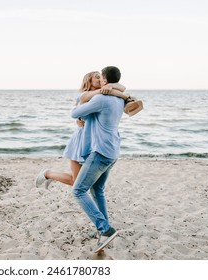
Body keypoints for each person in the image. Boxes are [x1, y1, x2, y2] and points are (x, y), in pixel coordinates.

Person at [35, 71, 131, 188]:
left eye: (101, 77)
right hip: (80, 140)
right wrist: (116, 92)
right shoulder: (85, 95)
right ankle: (48, 174)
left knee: (84, 181)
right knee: (76, 182)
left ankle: (54, 176)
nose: (101, 79)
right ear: (89, 82)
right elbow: (77, 112)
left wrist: (111, 86)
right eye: (97, 77)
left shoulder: (102, 94)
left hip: (92, 140)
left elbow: (122, 87)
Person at [69, 66, 125, 251]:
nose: (99, 79)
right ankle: (104, 232)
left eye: (100, 77)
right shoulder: (118, 98)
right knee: (98, 190)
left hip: (100, 152)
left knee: (78, 191)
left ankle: (105, 229)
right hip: (113, 150)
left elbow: (74, 113)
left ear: (105, 81)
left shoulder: (101, 98)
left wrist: (86, 99)